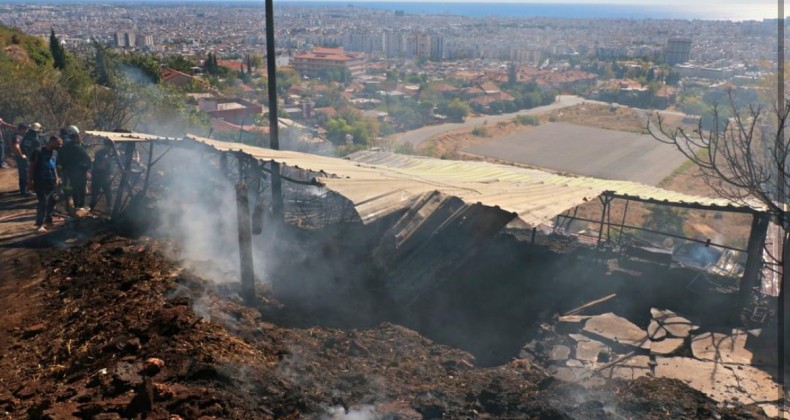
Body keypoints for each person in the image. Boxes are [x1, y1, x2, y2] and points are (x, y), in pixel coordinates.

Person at [28, 135, 63, 232]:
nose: (60, 146)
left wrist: (57, 177)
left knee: (52, 201)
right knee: (43, 202)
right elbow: (31, 167)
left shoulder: (55, 153)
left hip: (51, 181)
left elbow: (54, 166)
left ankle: (49, 222)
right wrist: (30, 181)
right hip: (40, 181)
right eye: (58, 144)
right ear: (51, 141)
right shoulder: (38, 151)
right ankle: (39, 225)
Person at [58, 125, 91, 211]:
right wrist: (86, 170)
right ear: (76, 136)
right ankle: (80, 208)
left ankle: (74, 207)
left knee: (73, 192)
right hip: (79, 175)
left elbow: (59, 161)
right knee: (81, 192)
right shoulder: (79, 148)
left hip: (68, 174)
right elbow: (88, 161)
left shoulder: (63, 147)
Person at [89, 138, 114, 212]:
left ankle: (109, 208)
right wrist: (105, 161)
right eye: (109, 146)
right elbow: (99, 166)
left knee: (108, 193)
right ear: (106, 145)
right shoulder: (100, 153)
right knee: (95, 194)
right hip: (98, 176)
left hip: (106, 177)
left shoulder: (110, 154)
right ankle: (90, 209)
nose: (110, 148)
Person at [9, 124, 32, 195]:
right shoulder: (17, 137)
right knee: (24, 174)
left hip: (20, 158)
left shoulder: (19, 136)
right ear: (22, 129)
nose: (27, 131)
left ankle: (23, 189)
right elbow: (16, 147)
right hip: (21, 158)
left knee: (23, 173)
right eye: (26, 129)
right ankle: (25, 191)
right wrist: (21, 155)